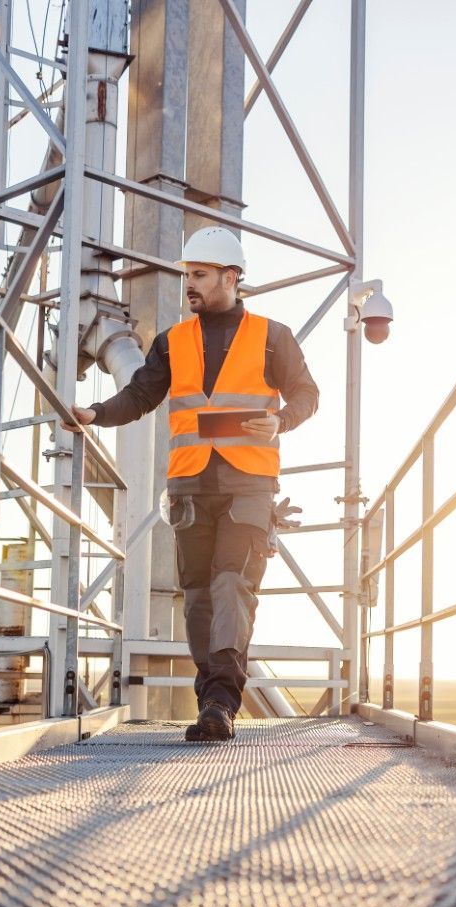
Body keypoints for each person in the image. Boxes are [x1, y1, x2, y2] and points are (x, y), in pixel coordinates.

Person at [63, 226, 319, 741]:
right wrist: (95, 413)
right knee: (198, 595)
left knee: (232, 586)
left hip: (249, 485)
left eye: (200, 275)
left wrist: (281, 420)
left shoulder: (273, 336)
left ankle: (222, 702)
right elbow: (141, 395)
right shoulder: (172, 342)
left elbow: (306, 394)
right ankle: (211, 702)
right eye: (187, 276)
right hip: (189, 488)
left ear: (231, 277)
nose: (190, 285)